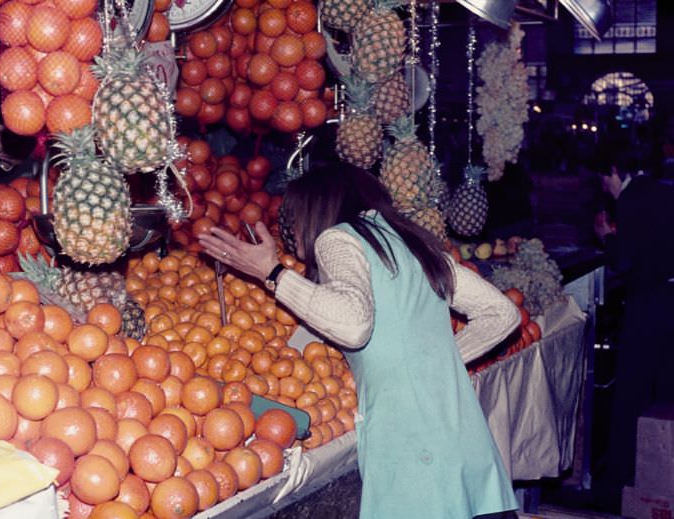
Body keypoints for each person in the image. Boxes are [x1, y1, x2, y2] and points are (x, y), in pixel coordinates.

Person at [199, 164, 521, 518]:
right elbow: (502, 313)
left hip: (412, 447)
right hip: (464, 437)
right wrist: (435, 364)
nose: (293, 230)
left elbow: (354, 325)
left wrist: (274, 274)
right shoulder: (413, 242)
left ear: (316, 207)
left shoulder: (337, 239)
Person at [594, 162, 674, 496]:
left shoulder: (630, 199)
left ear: (612, 171)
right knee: (665, 390)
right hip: (669, 297)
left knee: (631, 391)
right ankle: (659, 476)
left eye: (602, 178)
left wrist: (607, 237)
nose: (602, 187)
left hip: (650, 303)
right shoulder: (659, 189)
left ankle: (619, 478)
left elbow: (623, 261)